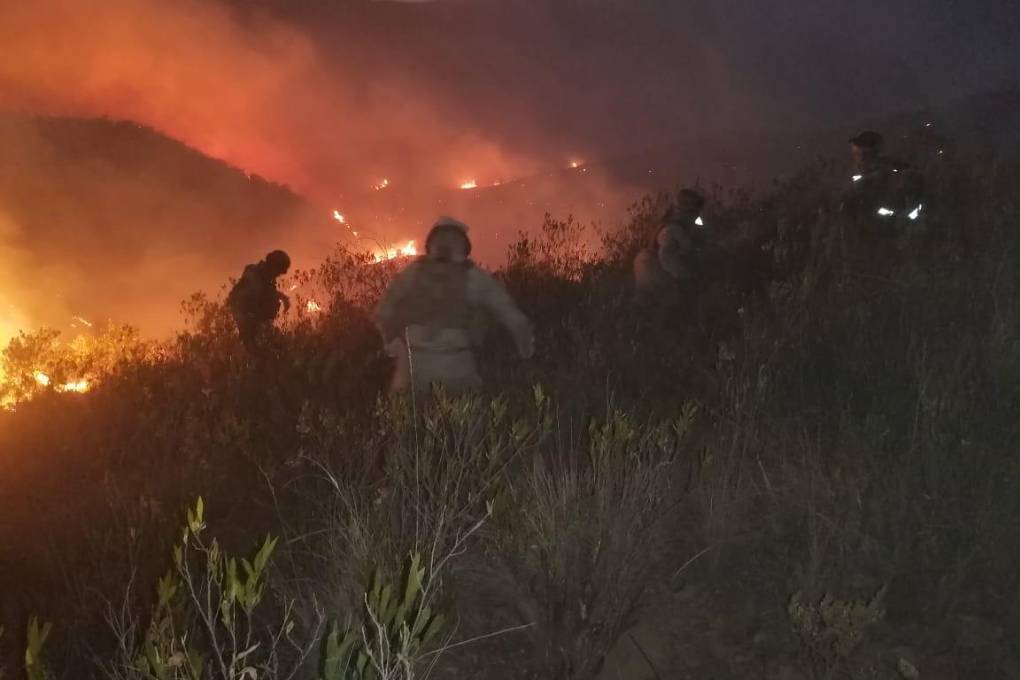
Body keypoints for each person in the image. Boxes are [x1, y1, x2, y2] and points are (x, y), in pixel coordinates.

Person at [374, 217, 534, 395]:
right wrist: (523, 340)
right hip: (456, 362)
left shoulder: (415, 272)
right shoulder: (473, 276)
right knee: (466, 416)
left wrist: (390, 341)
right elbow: (507, 310)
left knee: (405, 414)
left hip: (415, 363)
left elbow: (384, 309)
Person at [633, 189, 711, 304]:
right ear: (686, 212)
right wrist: (688, 278)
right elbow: (666, 257)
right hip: (657, 281)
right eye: (694, 213)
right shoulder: (672, 231)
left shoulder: (673, 227)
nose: (696, 217)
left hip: (651, 278)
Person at [843, 131, 924, 226]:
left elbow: (906, 207)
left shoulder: (894, 171)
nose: (858, 158)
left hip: (890, 227)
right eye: (855, 153)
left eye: (861, 154)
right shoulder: (857, 172)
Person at [226, 249, 292, 355]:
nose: (278, 275)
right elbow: (249, 297)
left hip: (256, 324)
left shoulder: (264, 278)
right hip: (249, 324)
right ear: (273, 266)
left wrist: (282, 297)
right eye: (278, 271)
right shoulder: (254, 275)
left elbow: (266, 291)